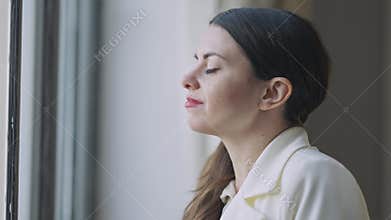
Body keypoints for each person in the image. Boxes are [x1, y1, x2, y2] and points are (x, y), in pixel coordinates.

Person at [181, 7, 370, 220]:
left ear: (272, 93)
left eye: (212, 67)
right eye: (196, 60)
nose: (186, 79)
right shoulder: (226, 194)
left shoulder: (316, 177)